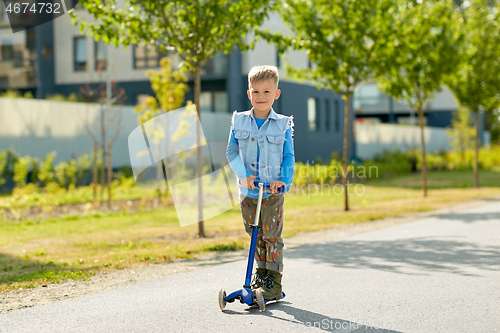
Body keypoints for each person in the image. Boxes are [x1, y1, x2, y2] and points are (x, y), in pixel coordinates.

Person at [226, 65, 295, 300]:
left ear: (276, 94)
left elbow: (288, 157)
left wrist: (283, 181)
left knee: (271, 234)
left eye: (267, 92)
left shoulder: (283, 124)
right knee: (253, 232)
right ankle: (261, 275)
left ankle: (273, 282)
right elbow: (231, 152)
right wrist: (243, 174)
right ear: (249, 94)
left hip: (272, 192)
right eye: (256, 92)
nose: (261, 97)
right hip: (248, 191)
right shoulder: (239, 121)